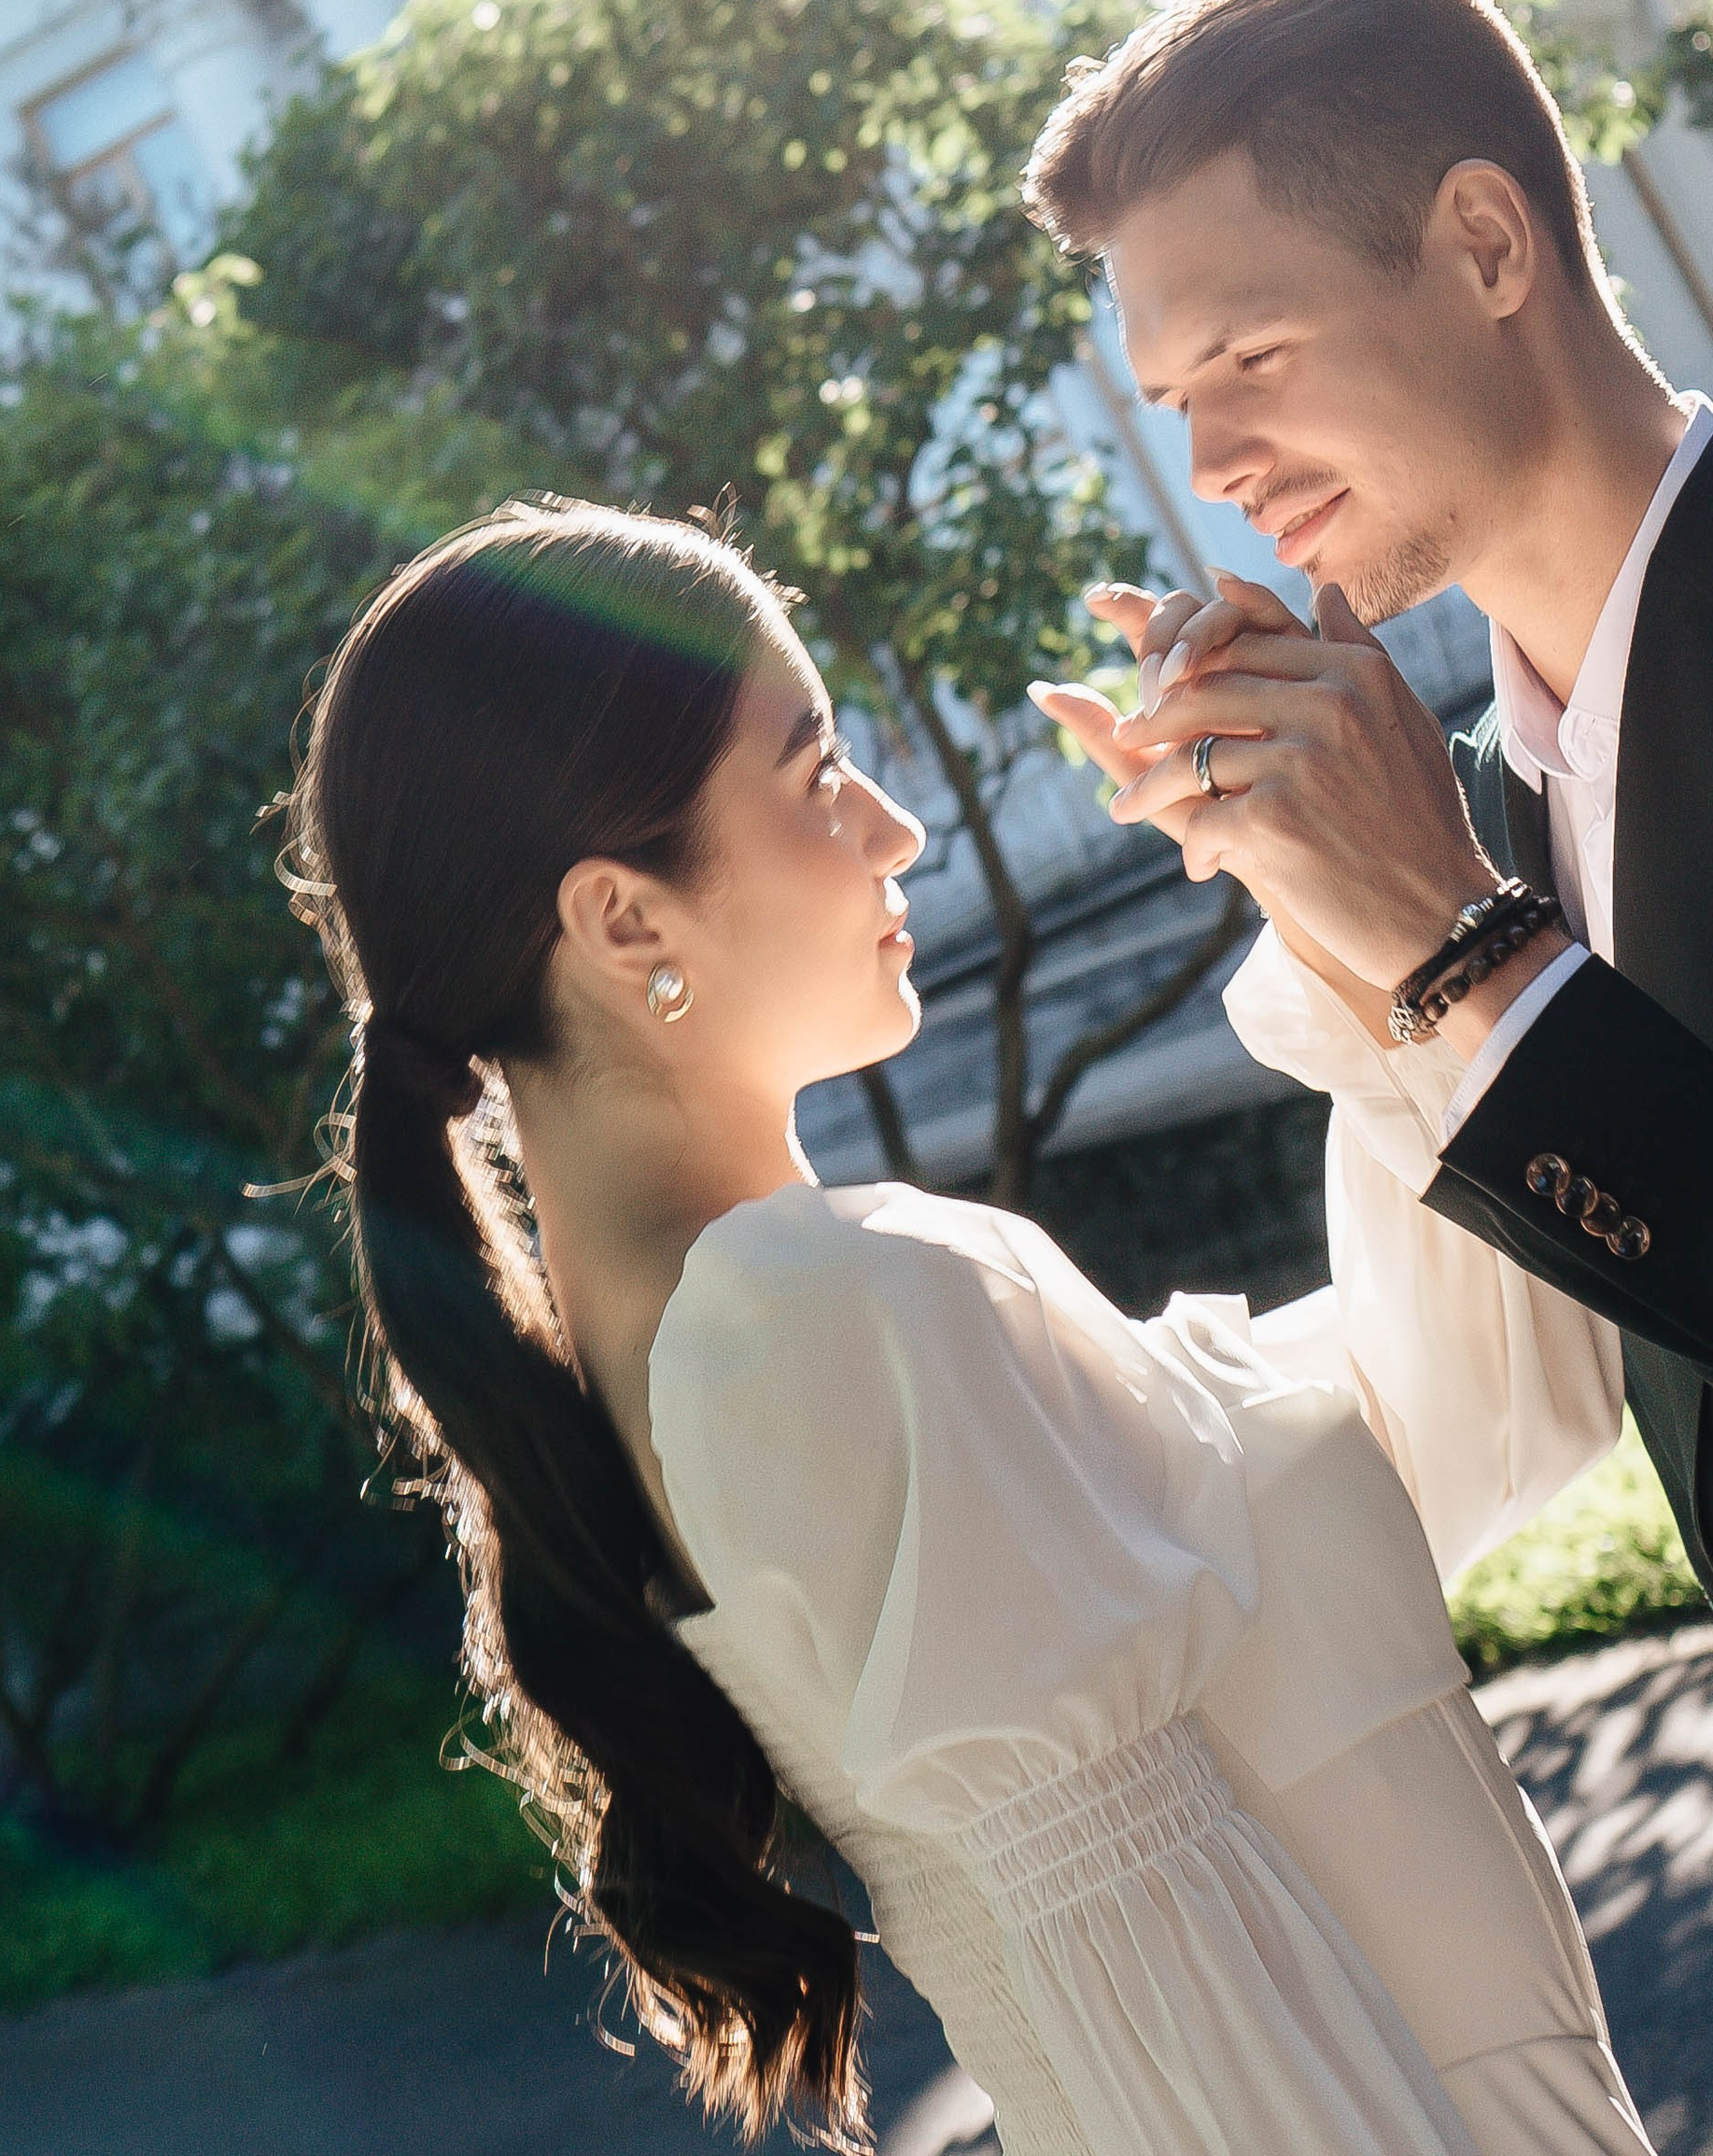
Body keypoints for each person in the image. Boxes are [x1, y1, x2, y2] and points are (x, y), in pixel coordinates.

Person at [291, 496, 1645, 2154]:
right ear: (625, 920)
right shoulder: (827, 1321)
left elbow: (1482, 1411)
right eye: (815, 775)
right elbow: (1216, 2065)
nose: (896, 829)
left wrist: (1335, 882)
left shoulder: (754, 1339)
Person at [1023, 0, 1713, 1593]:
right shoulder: (1478, 805)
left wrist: (1455, 936)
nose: (1214, 465)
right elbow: (1488, 1437)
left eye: (1253, 356)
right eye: (1178, 399)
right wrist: (1337, 902)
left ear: (1485, 247)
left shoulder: (1461, 871)